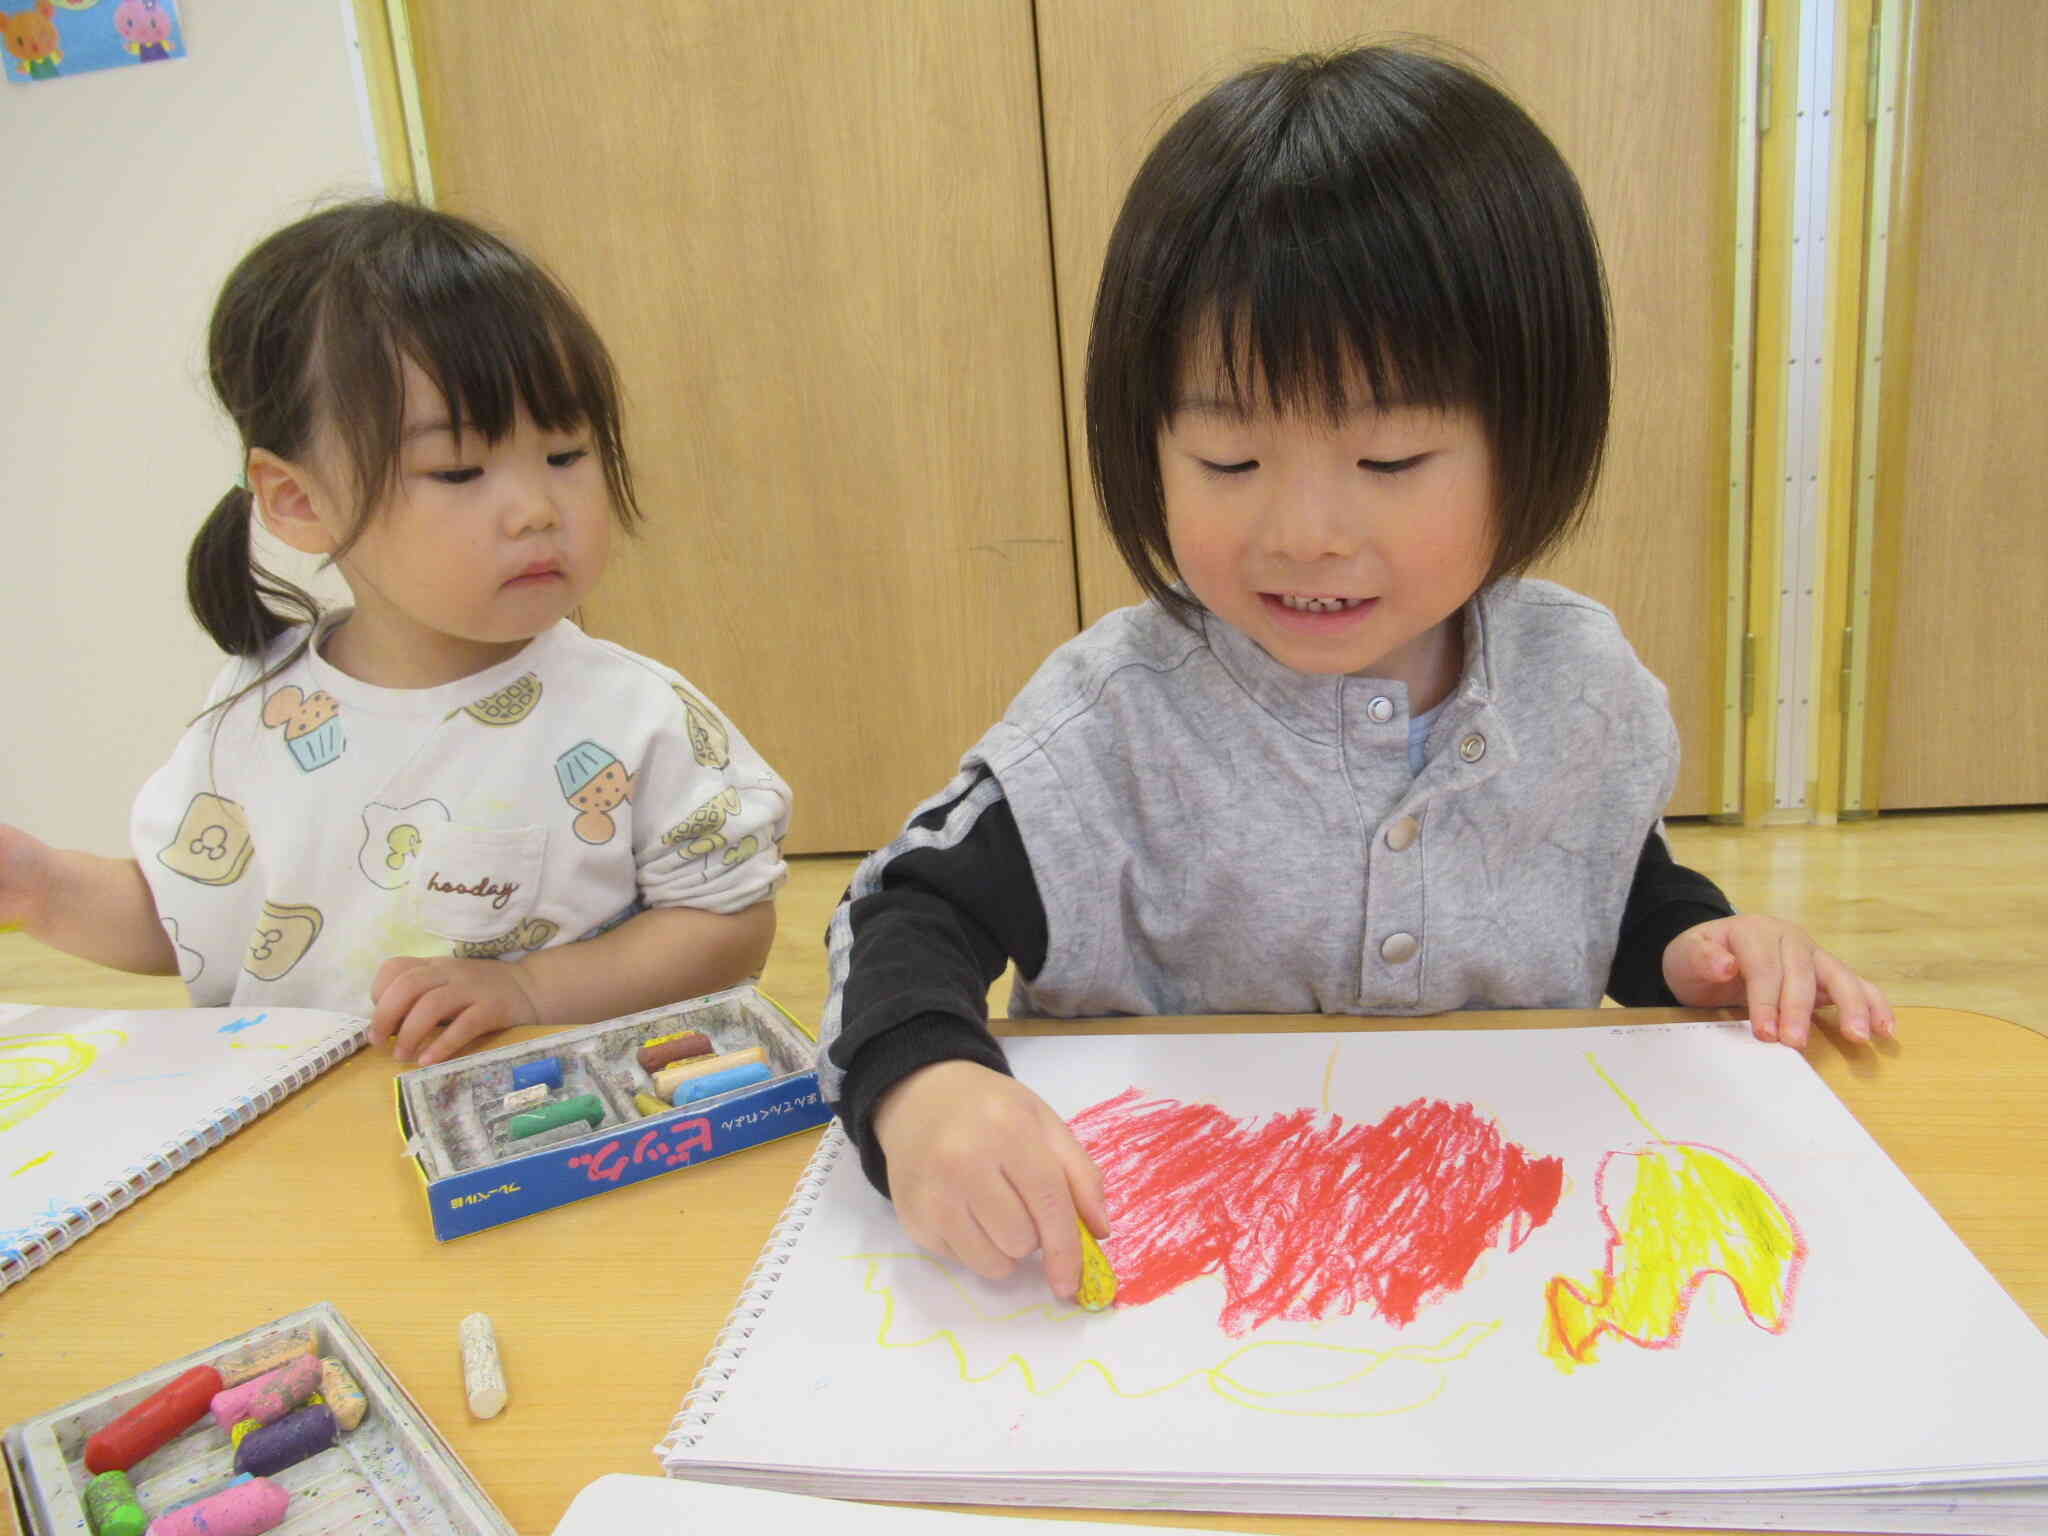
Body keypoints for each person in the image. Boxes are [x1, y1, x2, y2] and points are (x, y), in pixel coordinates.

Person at [817, 46, 1894, 1303]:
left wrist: (1693, 943)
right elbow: (902, 914)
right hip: (1172, 1274)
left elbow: (1606, 878)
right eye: (1227, 460)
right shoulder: (1112, 725)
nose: (1303, 533)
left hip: (1498, 1266)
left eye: (1387, 460)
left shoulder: (1575, 681)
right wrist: (927, 1088)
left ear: (1530, 432)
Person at [0, 200, 789, 1066]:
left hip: (544, 1121)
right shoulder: (260, 707)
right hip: (300, 1121)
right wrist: (38, 888)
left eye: (565, 453)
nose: (536, 510)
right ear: (298, 501)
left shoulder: (638, 716)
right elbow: (188, 912)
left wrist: (528, 990)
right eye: (458, 469)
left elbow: (727, 925)